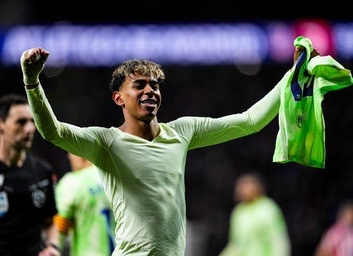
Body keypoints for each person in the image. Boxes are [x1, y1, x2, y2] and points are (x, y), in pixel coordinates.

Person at [19, 42, 316, 256]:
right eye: (139, 85)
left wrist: (291, 76)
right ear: (118, 98)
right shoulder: (106, 143)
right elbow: (52, 131)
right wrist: (32, 82)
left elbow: (249, 121)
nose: (150, 90)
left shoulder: (182, 132)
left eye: (155, 85)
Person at [0, 94, 60, 256]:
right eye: (21, 122)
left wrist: (52, 247)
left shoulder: (43, 171)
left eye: (32, 121)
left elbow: (50, 222)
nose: (30, 129)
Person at [54, 152, 116, 256]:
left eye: (70, 152)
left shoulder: (72, 183)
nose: (68, 157)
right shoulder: (113, 176)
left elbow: (59, 231)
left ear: (79, 153)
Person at [218, 172, 291, 256]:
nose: (240, 189)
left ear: (257, 187)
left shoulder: (267, 208)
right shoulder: (238, 212)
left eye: (245, 185)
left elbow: (278, 240)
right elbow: (236, 244)